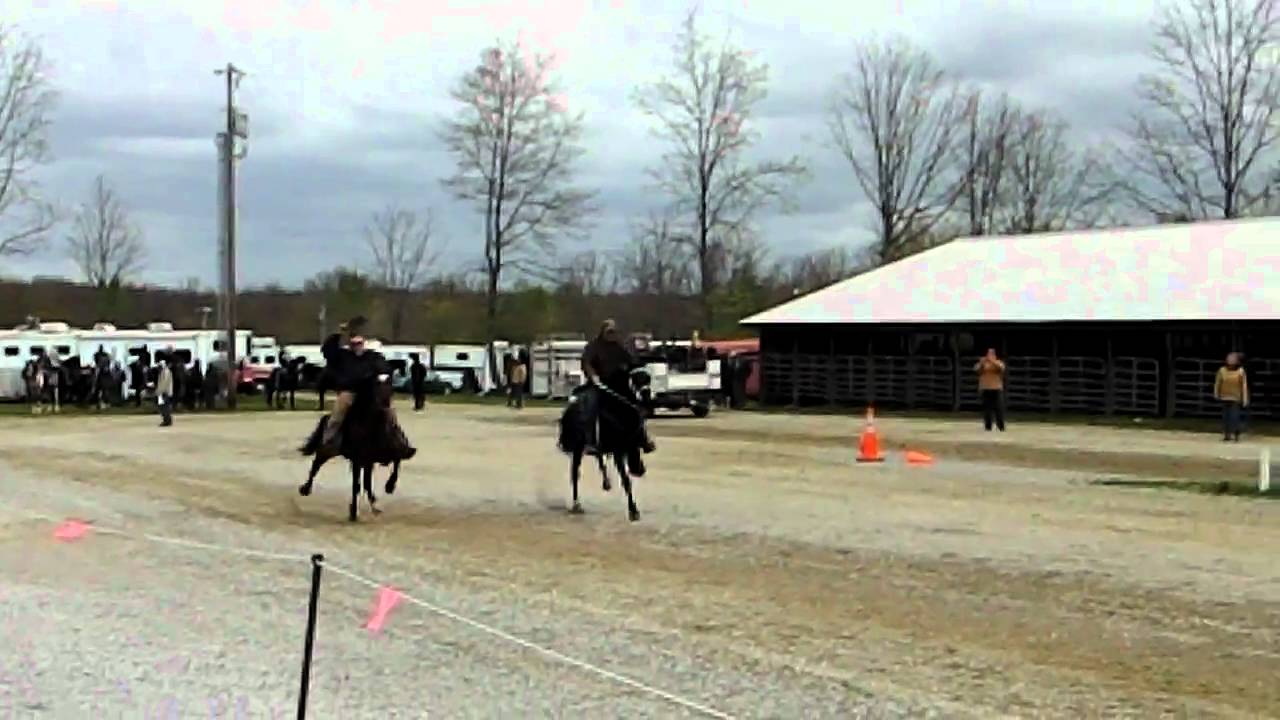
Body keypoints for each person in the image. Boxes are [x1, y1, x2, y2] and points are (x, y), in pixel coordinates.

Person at [319, 316, 415, 455]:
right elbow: (327, 350)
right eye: (354, 344)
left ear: (363, 343)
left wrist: (383, 374)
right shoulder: (342, 356)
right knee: (338, 413)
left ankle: (399, 441)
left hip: (370, 391)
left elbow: (384, 366)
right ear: (350, 344)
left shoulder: (372, 356)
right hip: (349, 391)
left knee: (390, 413)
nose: (356, 346)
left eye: (359, 343)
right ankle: (328, 441)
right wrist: (338, 333)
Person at [580, 319, 656, 455]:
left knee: (634, 407)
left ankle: (642, 438)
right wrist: (593, 375)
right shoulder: (593, 347)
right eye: (608, 331)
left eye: (613, 332)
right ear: (602, 332)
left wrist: (637, 368)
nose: (611, 334)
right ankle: (591, 441)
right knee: (591, 405)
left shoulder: (620, 347)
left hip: (619, 384)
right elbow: (586, 362)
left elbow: (631, 361)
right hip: (599, 385)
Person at [1214, 352, 1249, 442]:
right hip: (1224, 396)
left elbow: (1244, 386)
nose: (1230, 360)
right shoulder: (1222, 370)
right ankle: (1227, 434)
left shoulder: (1240, 371)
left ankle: (1236, 432)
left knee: (1234, 416)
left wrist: (1245, 398)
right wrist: (1216, 393)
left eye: (1233, 359)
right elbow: (1218, 383)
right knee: (1225, 416)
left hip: (1235, 397)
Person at [974, 348, 1006, 432]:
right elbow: (976, 369)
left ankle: (1001, 427)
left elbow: (1001, 368)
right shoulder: (983, 363)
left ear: (995, 355)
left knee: (999, 409)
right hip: (985, 389)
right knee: (987, 410)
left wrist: (992, 361)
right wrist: (981, 363)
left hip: (996, 389)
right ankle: (988, 427)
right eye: (988, 354)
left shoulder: (998, 362)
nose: (990, 356)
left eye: (992, 354)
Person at [156, 353, 174, 427]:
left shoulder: (165, 372)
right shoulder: (163, 371)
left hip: (164, 392)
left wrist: (159, 391)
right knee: (163, 406)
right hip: (163, 392)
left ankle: (167, 420)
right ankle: (167, 420)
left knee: (164, 406)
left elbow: (164, 383)